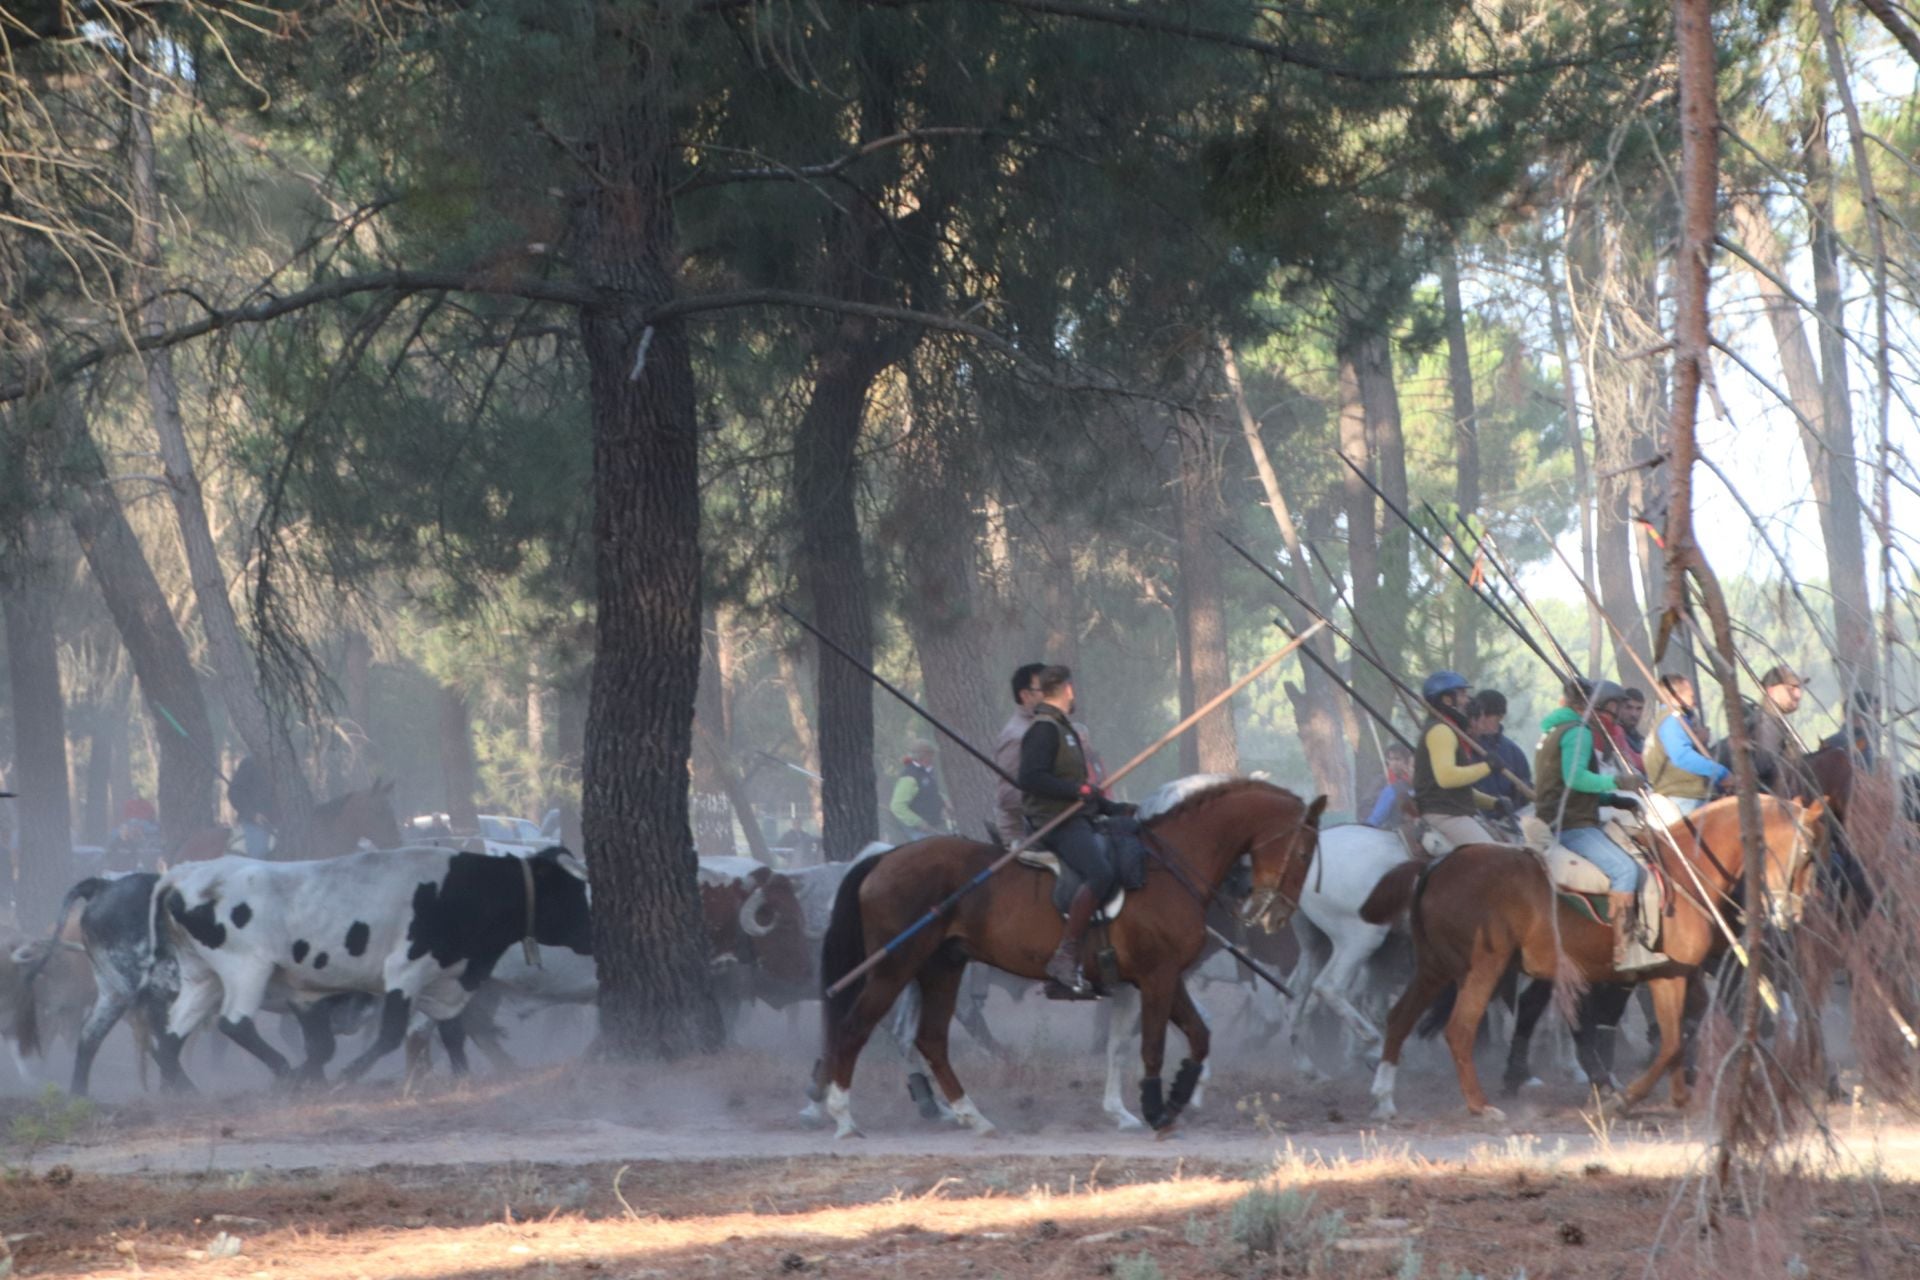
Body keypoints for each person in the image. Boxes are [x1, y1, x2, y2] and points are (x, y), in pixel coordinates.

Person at [1018, 664, 1122, 999]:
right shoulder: (1045, 728)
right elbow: (1031, 778)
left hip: (1074, 816)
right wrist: (1076, 792)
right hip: (1054, 822)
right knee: (1101, 873)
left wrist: (1113, 809)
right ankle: (1065, 956)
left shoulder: (1064, 728)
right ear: (1068, 689)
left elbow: (1081, 789)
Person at [1535, 679, 1648, 969]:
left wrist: (1611, 799)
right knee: (1626, 869)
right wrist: (1618, 781)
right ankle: (1626, 950)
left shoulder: (1556, 729)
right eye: (1616, 707)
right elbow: (1576, 779)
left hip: (1561, 817)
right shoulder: (1580, 732)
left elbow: (1565, 788)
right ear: (1602, 706)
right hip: (1572, 825)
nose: (1617, 714)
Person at [1412, 670, 1501, 851]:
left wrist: (1493, 803)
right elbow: (1447, 778)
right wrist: (1487, 767)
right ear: (1447, 700)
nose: (1467, 700)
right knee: (1495, 857)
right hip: (1443, 815)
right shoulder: (1441, 731)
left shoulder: (1448, 730)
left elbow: (1459, 790)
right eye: (1462, 694)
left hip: (1450, 812)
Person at [1646, 674, 1728, 814]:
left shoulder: (1669, 719)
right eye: (1691, 696)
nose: (1694, 702)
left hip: (1683, 794)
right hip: (1684, 796)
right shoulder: (1672, 720)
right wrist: (1720, 773)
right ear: (1676, 696)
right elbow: (1682, 756)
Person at [994, 662, 1049, 846]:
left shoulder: (1048, 727)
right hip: (1025, 839)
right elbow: (1007, 796)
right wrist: (1058, 795)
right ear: (1025, 695)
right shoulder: (1017, 736)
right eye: (1045, 688)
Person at [1732, 664, 1806, 795]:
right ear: (1771, 691)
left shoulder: (1772, 720)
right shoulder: (1768, 723)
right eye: (1792, 688)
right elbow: (1765, 772)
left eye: (1799, 688)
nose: (1798, 694)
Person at [1469, 690, 1531, 813]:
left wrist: (1521, 790)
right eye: (1478, 716)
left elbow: (1525, 781)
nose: (1482, 721)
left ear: (1501, 717)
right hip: (1477, 817)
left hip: (1509, 818)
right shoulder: (1465, 746)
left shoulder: (1513, 751)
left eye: (1487, 716)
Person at [888, 740, 947, 842]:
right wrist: (919, 822)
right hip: (919, 834)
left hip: (934, 827)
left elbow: (928, 793)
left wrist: (944, 801)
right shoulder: (909, 777)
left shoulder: (926, 772)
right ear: (923, 756)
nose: (933, 758)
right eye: (931, 754)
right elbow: (897, 806)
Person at [228, 754, 277, 858]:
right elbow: (235, 792)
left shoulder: (285, 763)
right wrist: (253, 814)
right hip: (256, 823)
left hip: (283, 823)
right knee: (258, 857)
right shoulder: (250, 763)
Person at [1820, 689, 1879, 768]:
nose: (1878, 718)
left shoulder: (1870, 741)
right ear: (1860, 714)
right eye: (1876, 712)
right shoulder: (1831, 743)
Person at [1364, 743, 1416, 829]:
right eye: (1391, 759)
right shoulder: (1380, 782)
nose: (1393, 763)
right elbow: (1373, 819)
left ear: (1407, 762)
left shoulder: (1397, 789)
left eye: (1398, 759)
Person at [1618, 688, 1648, 760]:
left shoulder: (1642, 741)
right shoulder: (1613, 734)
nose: (1634, 714)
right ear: (1619, 708)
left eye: (1639, 709)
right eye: (1628, 707)